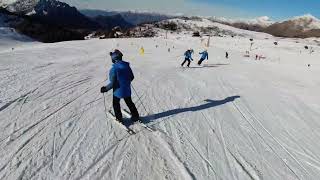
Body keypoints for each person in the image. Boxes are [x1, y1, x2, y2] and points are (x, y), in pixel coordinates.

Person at [100, 49, 140, 123]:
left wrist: (105, 89)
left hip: (117, 91)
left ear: (113, 59)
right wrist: (125, 82)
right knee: (129, 102)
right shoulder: (127, 66)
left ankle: (119, 118)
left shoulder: (114, 69)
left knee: (116, 104)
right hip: (127, 89)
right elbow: (131, 77)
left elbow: (113, 83)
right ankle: (135, 116)